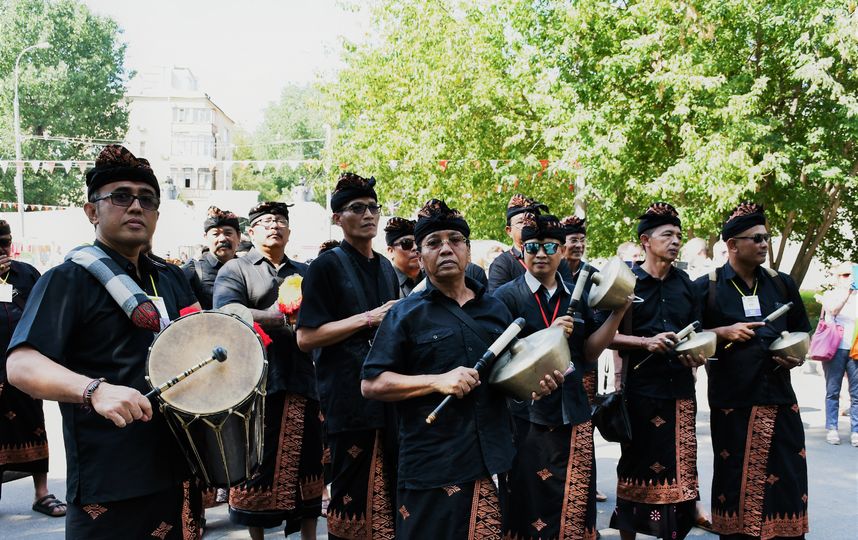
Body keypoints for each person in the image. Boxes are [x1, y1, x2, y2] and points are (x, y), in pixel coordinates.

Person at [4, 145, 202, 539]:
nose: (135, 207)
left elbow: (201, 343)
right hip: (110, 484)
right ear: (91, 211)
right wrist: (93, 390)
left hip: (181, 470)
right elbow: (21, 365)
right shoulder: (67, 280)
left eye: (147, 199)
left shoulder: (172, 278)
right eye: (121, 196)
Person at [361, 199, 563, 539]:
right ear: (421, 256)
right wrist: (436, 382)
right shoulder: (405, 314)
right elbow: (372, 384)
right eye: (433, 243)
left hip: (492, 459)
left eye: (455, 240)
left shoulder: (496, 310)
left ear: (468, 250)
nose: (446, 249)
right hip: (431, 461)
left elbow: (508, 383)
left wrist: (533, 387)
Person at [493, 213, 630, 540]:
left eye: (549, 246)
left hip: (574, 414)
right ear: (522, 250)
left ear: (561, 251)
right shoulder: (505, 298)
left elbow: (589, 353)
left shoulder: (576, 296)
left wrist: (618, 313)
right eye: (533, 246)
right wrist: (545, 338)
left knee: (574, 505)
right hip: (526, 418)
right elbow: (498, 360)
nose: (541, 253)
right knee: (527, 505)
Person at [695, 202, 810, 539]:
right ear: (732, 245)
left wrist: (795, 356)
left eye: (766, 238)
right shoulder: (708, 286)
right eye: (756, 238)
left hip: (779, 399)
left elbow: (803, 331)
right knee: (734, 479)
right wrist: (721, 332)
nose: (763, 244)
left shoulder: (782, 284)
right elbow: (686, 337)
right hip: (733, 401)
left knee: (787, 479)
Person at [296, 172, 399, 540]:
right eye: (357, 208)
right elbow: (306, 338)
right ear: (338, 218)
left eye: (373, 207)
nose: (369, 214)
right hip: (347, 399)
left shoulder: (386, 266)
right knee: (352, 500)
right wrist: (369, 317)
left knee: (389, 498)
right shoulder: (326, 265)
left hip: (388, 398)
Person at [213, 201, 322, 539]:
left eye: (281, 221)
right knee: (258, 463)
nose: (275, 226)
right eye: (266, 222)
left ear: (289, 231)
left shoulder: (305, 271)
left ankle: (307, 536)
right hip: (256, 379)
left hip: (304, 376)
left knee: (309, 462)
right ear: (252, 231)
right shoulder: (236, 269)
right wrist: (277, 316)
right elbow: (227, 311)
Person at [609, 202, 706, 540]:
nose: (675, 241)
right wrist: (645, 342)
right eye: (667, 235)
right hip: (639, 393)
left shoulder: (687, 285)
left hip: (680, 393)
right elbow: (607, 337)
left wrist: (697, 354)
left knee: (680, 472)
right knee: (634, 469)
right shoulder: (627, 284)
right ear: (646, 241)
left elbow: (698, 333)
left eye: (678, 235)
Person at [0, 220, 65, 518]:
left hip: (23, 363)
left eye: (5, 243)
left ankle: (41, 493)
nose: (3, 251)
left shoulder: (26, 274)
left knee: (33, 425)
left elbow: (44, 313)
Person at [487, 193, 573, 293]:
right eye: (520, 222)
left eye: (531, 221)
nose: (526, 226)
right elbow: (498, 301)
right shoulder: (501, 264)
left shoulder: (555, 258)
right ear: (509, 230)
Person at [819, 261, 858, 446]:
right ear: (837, 277)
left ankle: (856, 431)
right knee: (832, 391)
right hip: (835, 348)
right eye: (845, 275)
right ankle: (832, 429)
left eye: (852, 274)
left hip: (855, 350)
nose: (849, 278)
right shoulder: (831, 295)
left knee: (856, 394)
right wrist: (848, 294)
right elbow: (833, 310)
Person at [182, 206, 241, 309]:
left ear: (239, 237)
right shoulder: (193, 271)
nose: (222, 239)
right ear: (206, 238)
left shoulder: (249, 269)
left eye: (228, 233)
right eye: (216, 234)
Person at [385, 217, 421, 298]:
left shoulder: (433, 278)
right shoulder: (384, 283)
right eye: (406, 243)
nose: (415, 247)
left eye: (418, 242)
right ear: (390, 251)